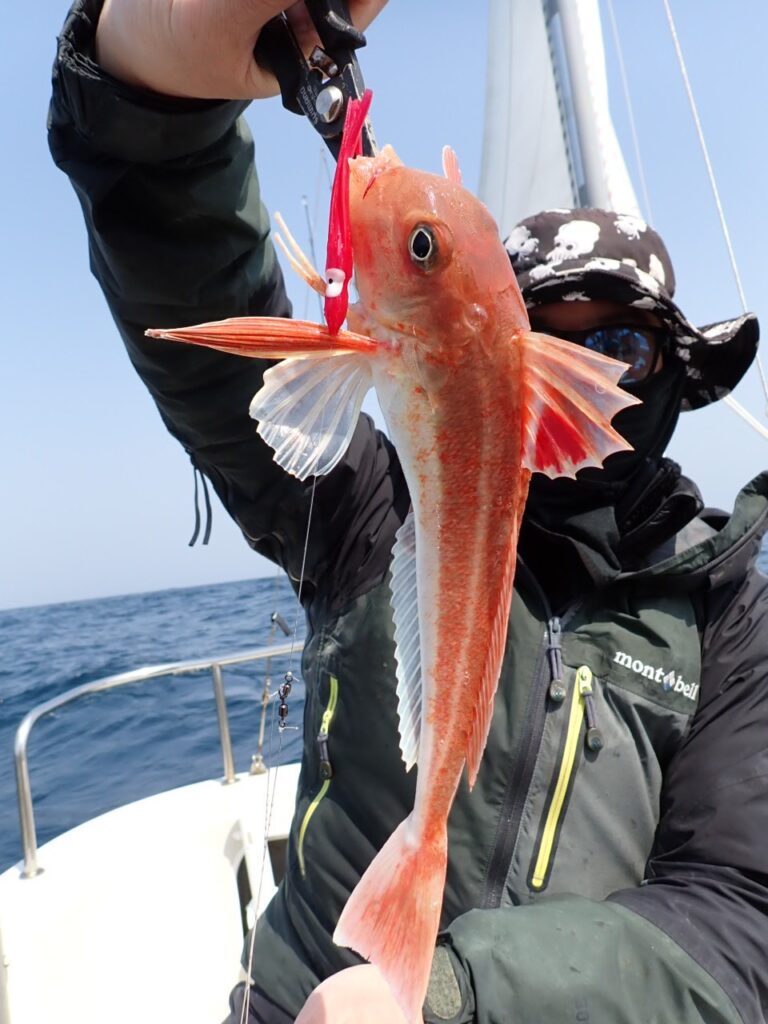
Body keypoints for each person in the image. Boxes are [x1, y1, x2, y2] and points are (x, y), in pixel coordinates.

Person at [49, 2, 768, 1022]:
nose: (589, 369)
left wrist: (460, 994)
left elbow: (740, 919)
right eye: (549, 336)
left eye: (622, 349)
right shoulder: (365, 510)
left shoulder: (731, 618)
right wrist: (149, 87)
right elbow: (197, 292)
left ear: (673, 375)